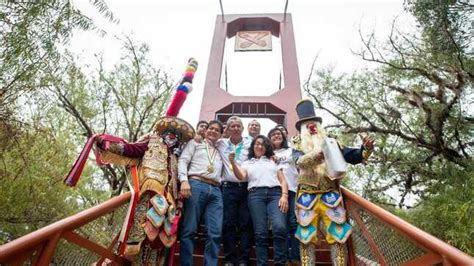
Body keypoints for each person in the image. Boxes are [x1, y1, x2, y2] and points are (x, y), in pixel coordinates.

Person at [64, 58, 198, 265]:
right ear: (164, 134)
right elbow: (130, 149)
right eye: (170, 133)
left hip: (168, 202)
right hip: (147, 196)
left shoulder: (177, 158)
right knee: (138, 238)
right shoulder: (151, 144)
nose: (173, 137)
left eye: (176, 136)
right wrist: (108, 144)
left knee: (157, 246)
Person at [292, 99, 374, 266]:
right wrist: (318, 154)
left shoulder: (332, 141)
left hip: (331, 195)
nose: (311, 127)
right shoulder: (296, 142)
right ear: (302, 127)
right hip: (307, 197)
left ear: (318, 124)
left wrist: (366, 149)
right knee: (306, 239)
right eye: (307, 124)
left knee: (338, 237)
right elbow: (299, 161)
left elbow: (353, 156)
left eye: (313, 123)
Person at [229, 135, 289, 266]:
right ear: (253, 146)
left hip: (275, 194)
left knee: (279, 228)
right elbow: (241, 176)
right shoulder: (247, 162)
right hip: (255, 195)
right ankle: (262, 263)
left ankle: (280, 263)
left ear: (266, 147)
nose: (259, 146)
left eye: (262, 144)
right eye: (256, 144)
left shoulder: (273, 160)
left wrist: (284, 196)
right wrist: (233, 163)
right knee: (260, 232)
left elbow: (283, 180)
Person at [178, 120, 224, 266]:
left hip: (216, 190)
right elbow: (183, 161)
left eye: (217, 130)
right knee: (189, 229)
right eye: (211, 128)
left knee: (215, 232)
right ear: (206, 130)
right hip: (196, 184)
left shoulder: (221, 149)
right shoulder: (195, 143)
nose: (213, 131)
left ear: (221, 135)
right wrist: (184, 181)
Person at [217, 116, 253, 266]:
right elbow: (207, 138)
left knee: (245, 223)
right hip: (228, 188)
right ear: (228, 129)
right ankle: (230, 259)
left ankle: (244, 259)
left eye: (239, 126)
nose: (236, 128)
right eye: (233, 126)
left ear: (243, 129)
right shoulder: (221, 143)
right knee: (228, 223)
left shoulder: (250, 144)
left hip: (246, 188)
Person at [268, 127, 300, 265]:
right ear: (269, 139)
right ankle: (282, 259)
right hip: (275, 191)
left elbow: (302, 161)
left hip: (292, 189)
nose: (276, 135)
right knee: (280, 226)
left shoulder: (292, 150)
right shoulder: (266, 154)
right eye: (273, 134)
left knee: (293, 223)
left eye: (279, 134)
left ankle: (296, 257)